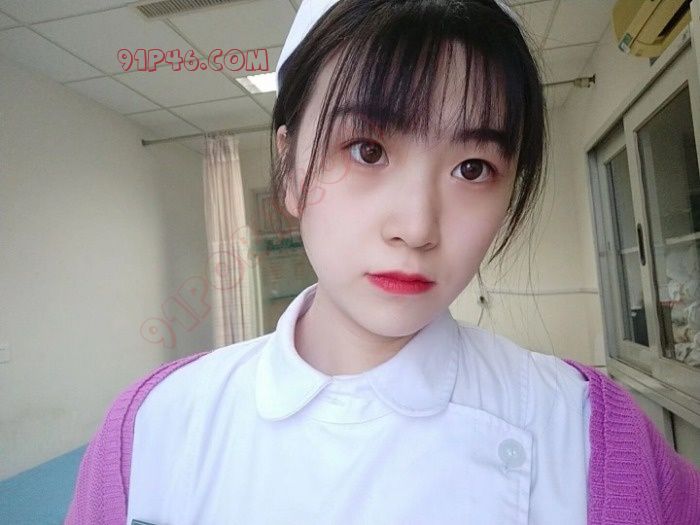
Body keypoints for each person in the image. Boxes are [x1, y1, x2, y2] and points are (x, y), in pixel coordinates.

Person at [65, 1, 700, 524]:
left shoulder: (590, 433)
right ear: (288, 170)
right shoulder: (150, 426)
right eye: (366, 150)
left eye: (472, 168)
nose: (417, 227)